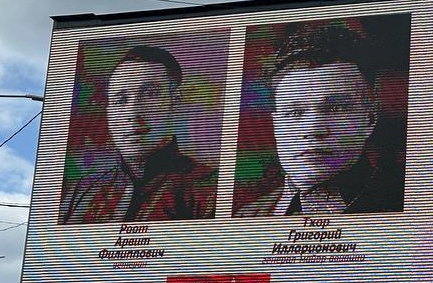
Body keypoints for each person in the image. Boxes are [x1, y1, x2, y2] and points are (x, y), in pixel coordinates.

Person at [234, 21, 405, 216]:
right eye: (294, 112)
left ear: (369, 118)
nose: (313, 129)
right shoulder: (247, 216)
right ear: (276, 125)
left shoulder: (406, 207)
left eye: (335, 108)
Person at [61, 45, 217, 224]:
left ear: (176, 103)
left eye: (150, 95)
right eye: (120, 100)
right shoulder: (82, 191)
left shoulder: (210, 188)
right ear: (108, 112)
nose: (133, 112)